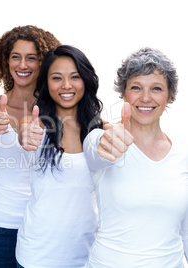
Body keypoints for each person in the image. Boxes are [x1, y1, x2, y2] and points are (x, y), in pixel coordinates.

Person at [83, 47, 188, 267]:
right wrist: (106, 144)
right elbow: (96, 153)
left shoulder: (183, 155)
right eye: (136, 88)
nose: (146, 97)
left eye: (156, 88)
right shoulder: (102, 138)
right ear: (124, 94)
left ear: (170, 96)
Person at [0, 25, 61, 267]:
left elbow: (92, 123)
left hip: (44, 225)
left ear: (43, 63)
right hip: (3, 223)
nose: (22, 65)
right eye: (16, 57)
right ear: (6, 60)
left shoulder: (58, 109)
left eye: (31, 58)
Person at [16, 45, 103, 268]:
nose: (66, 85)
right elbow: (25, 131)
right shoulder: (36, 125)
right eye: (57, 78)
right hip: (36, 257)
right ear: (46, 84)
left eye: (75, 77)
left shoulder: (99, 132)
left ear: (86, 80)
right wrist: (26, 135)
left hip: (86, 257)